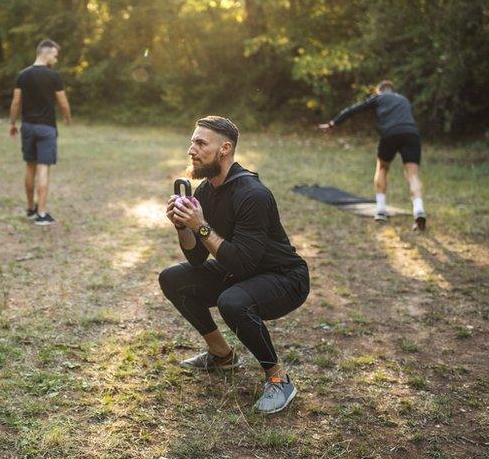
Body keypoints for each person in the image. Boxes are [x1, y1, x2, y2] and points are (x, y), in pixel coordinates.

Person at [160, 116, 310, 414]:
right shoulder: (205, 191)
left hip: (284, 278)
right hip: (242, 270)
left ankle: (279, 379)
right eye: (192, 141)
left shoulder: (252, 194)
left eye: (201, 143)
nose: (191, 149)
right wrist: (182, 227)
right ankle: (222, 356)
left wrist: (201, 226)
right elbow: (197, 258)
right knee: (173, 278)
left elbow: (242, 261)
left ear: (225, 149)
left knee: (233, 301)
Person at [319, 80, 427, 230]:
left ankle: (381, 210)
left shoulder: (379, 98)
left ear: (379, 91)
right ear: (392, 90)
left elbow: (354, 109)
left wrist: (333, 123)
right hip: (411, 134)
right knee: (412, 175)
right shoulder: (403, 99)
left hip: (390, 134)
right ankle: (419, 210)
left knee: (382, 168)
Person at [8, 39, 71, 226]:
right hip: (47, 128)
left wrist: (12, 122)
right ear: (46, 52)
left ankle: (30, 209)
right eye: (55, 55)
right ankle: (42, 214)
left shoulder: (23, 75)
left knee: (30, 166)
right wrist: (67, 117)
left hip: (27, 127)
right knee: (43, 169)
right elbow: (63, 102)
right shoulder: (54, 76)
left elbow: (16, 103)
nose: (56, 59)